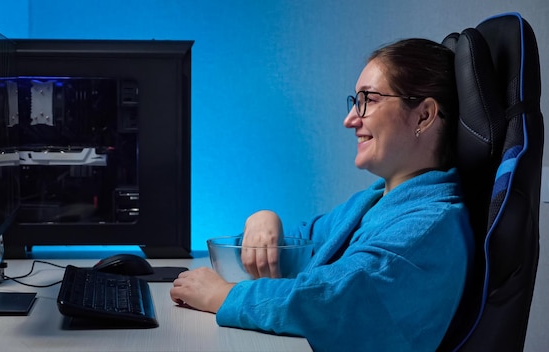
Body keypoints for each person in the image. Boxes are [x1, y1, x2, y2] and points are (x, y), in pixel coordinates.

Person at [170, 38, 474, 352]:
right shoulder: (372, 203)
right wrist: (262, 223)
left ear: (424, 116)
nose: (351, 119)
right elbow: (296, 252)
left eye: (368, 100)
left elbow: (329, 300)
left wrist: (224, 296)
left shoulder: (429, 228)